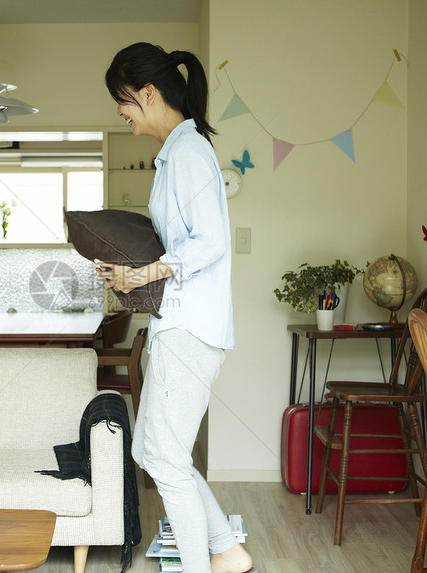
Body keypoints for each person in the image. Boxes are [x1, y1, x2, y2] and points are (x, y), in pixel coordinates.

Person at [97, 42, 256, 573]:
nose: (120, 113)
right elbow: (179, 244)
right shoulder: (176, 155)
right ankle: (227, 552)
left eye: (122, 101)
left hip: (189, 333)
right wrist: (130, 267)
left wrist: (142, 272)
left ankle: (202, 565)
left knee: (165, 459)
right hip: (180, 327)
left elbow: (208, 242)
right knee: (151, 451)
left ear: (148, 92)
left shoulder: (188, 153)